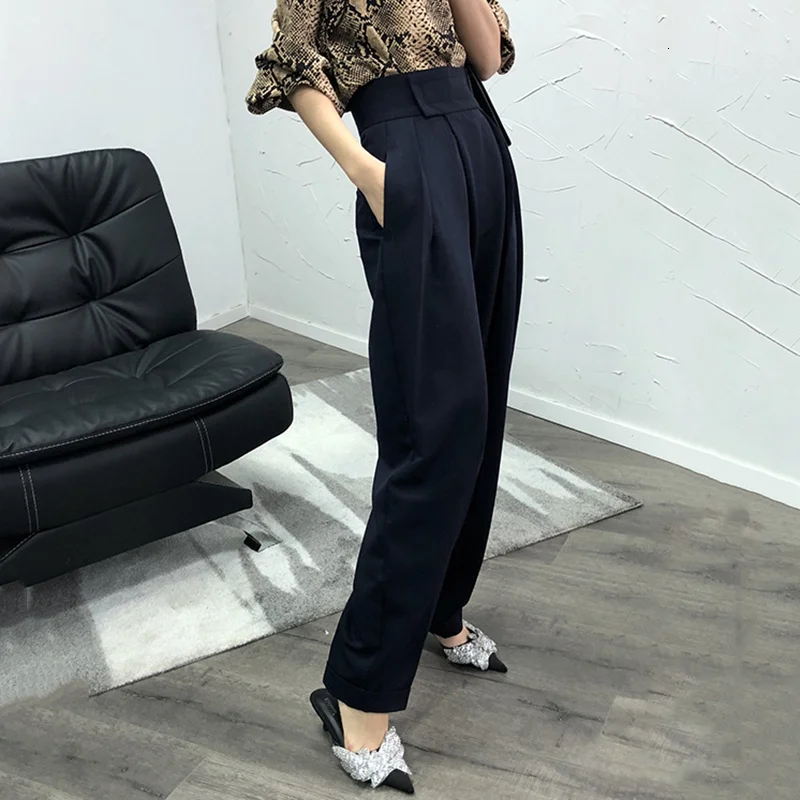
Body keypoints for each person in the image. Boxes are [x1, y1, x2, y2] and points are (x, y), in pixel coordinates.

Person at [246, 0, 522, 791]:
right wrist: (366, 171)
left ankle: (441, 608)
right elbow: (292, 66)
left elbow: (487, 59)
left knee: (481, 405)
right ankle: (358, 690)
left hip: (480, 146)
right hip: (404, 158)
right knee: (435, 426)